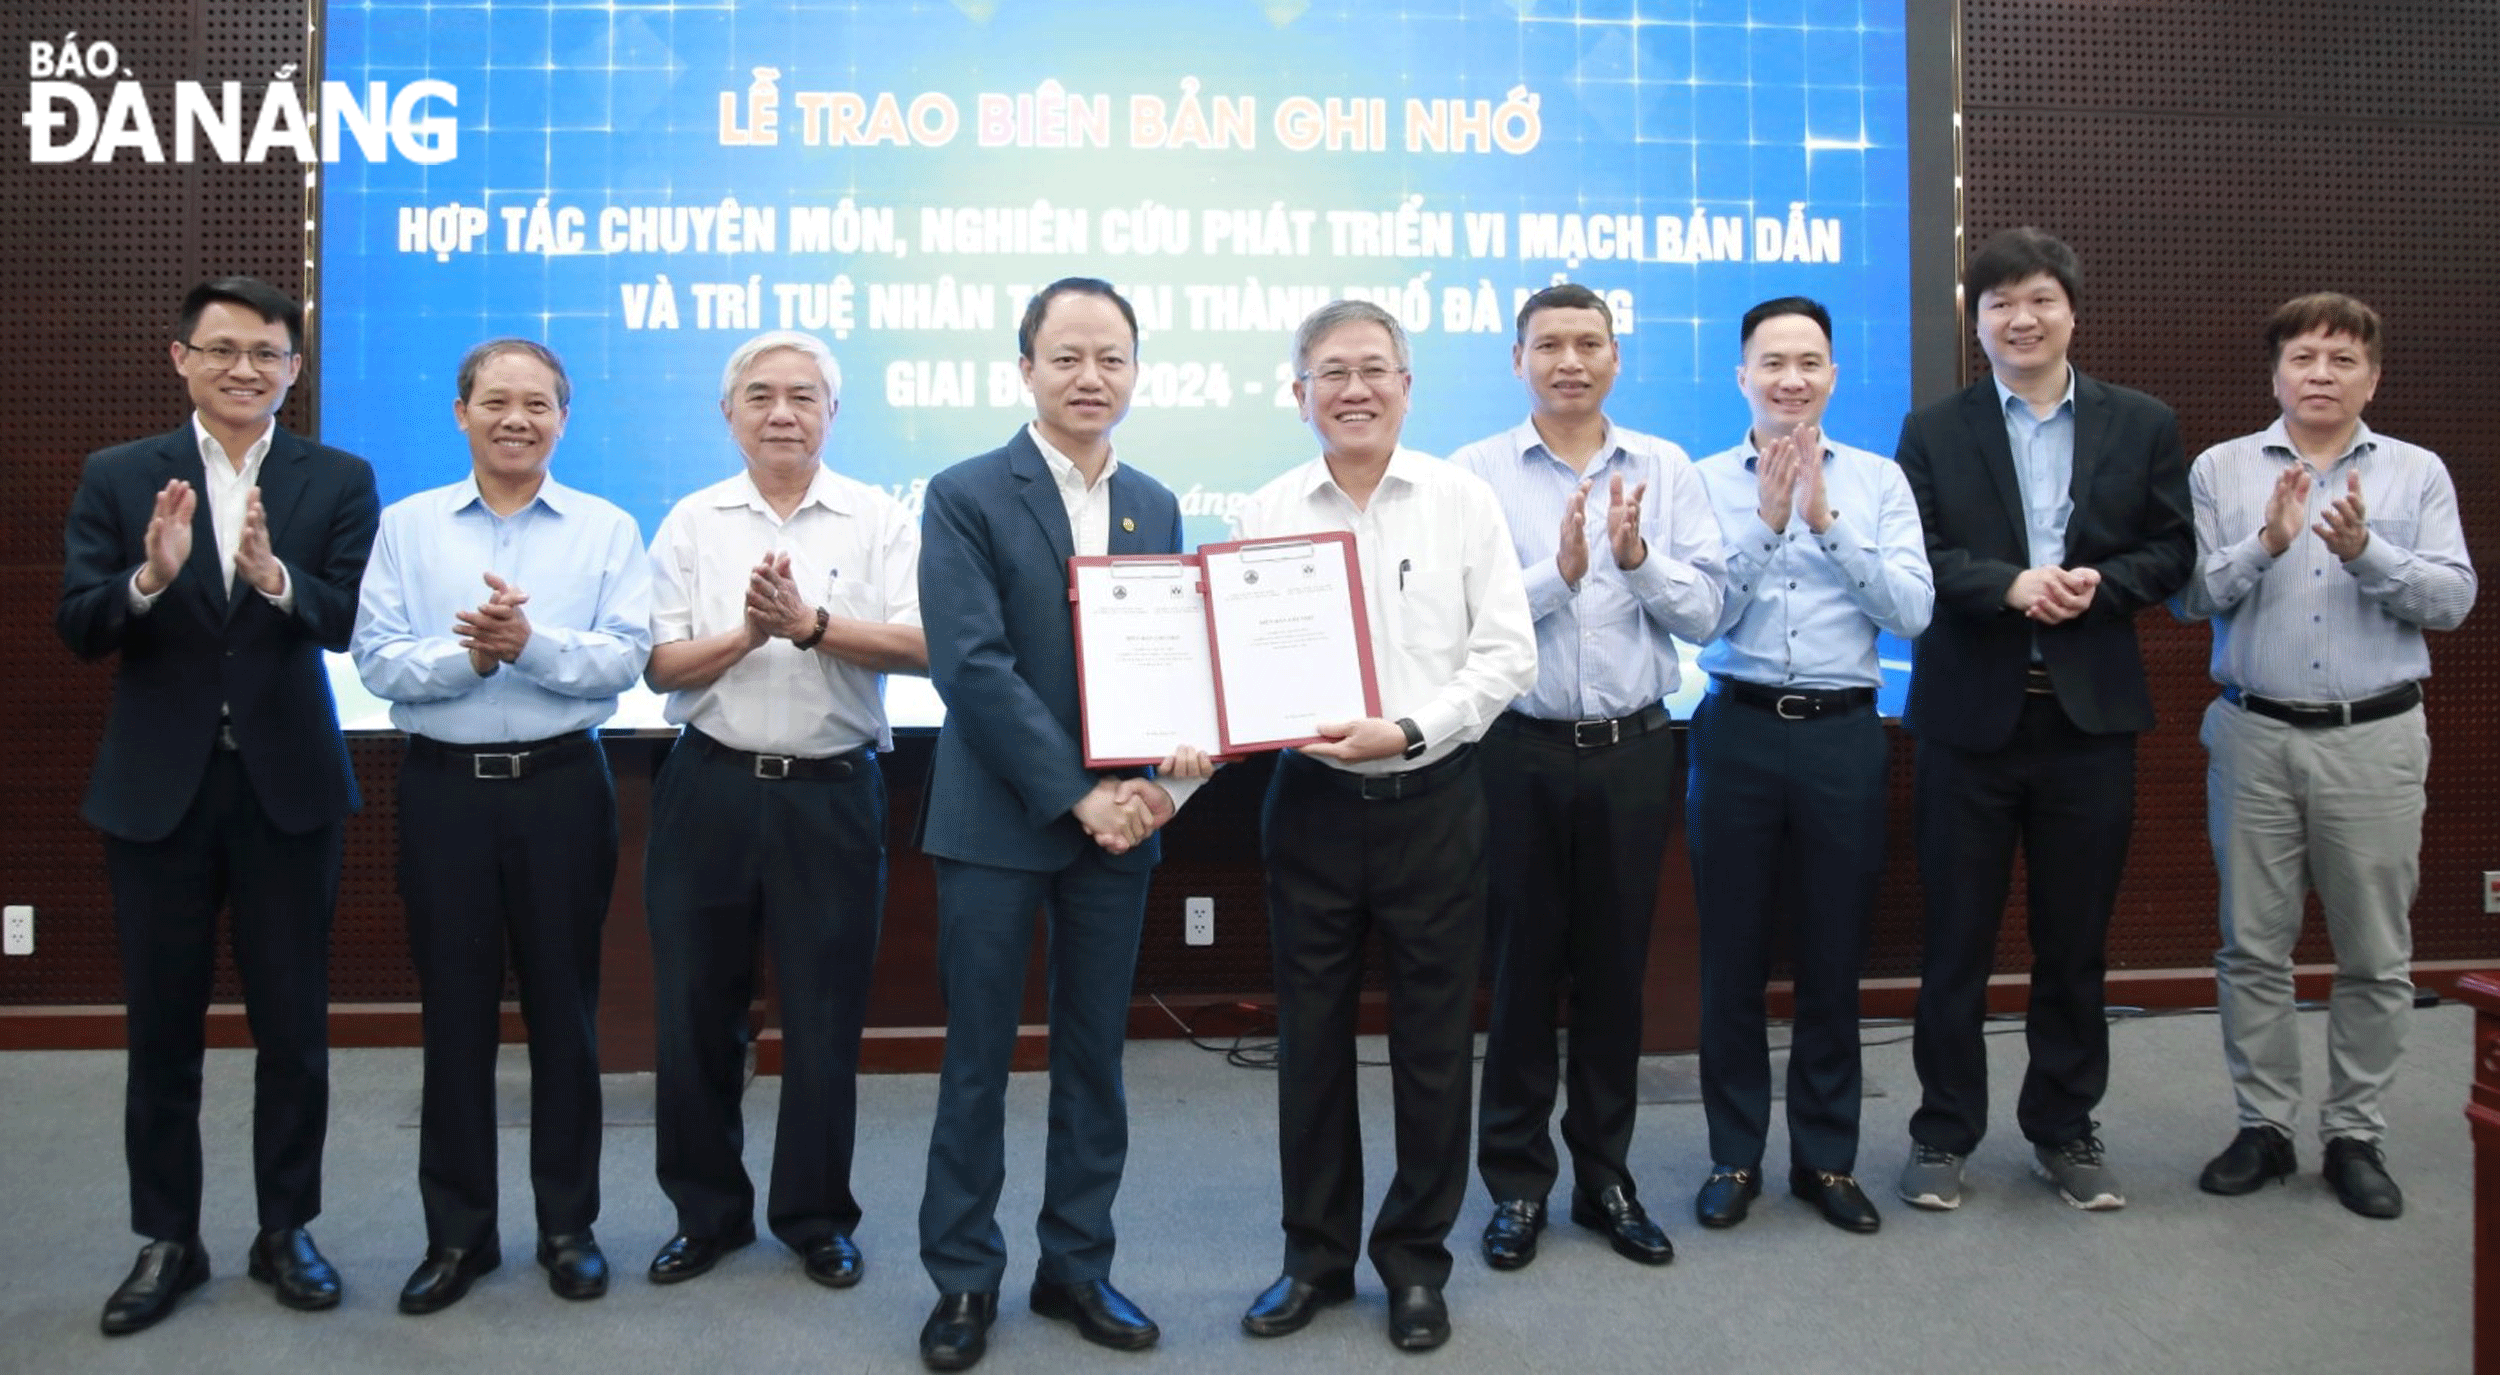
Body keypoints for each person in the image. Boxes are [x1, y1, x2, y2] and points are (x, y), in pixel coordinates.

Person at [56, 276, 378, 1335]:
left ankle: (287, 1227)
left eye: (268, 353)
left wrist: (278, 578)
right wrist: (148, 578)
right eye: (225, 349)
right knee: (162, 1026)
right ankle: (168, 1237)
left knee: (294, 1025)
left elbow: (345, 624)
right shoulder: (120, 476)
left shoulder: (336, 478)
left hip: (288, 787)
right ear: (181, 358)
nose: (247, 368)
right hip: (159, 791)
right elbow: (81, 625)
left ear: (293, 369)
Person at [914, 277, 1209, 1372]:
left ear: (1136, 372)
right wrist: (1076, 791)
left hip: (1120, 829)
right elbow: (972, 667)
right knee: (978, 1061)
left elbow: (1168, 659)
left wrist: (1160, 773)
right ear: (1025, 367)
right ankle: (962, 1278)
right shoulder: (964, 493)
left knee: (1095, 1057)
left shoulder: (1157, 504)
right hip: (999, 822)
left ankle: (1075, 1264)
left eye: (1113, 358)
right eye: (1068, 356)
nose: (1092, 377)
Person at [1237, 299, 1537, 1354]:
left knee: (1431, 1042)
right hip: (1310, 806)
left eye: (1373, 369)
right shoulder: (1265, 510)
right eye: (1331, 372)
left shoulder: (1459, 501)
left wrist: (1409, 727)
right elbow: (1232, 669)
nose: (1353, 388)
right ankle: (1311, 1259)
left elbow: (1506, 656)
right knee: (1309, 1041)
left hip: (1435, 801)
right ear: (1299, 393)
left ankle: (1414, 1262)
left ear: (1407, 386)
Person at [1892, 228, 2193, 1214]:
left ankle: (2064, 1127)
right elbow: (1921, 553)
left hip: (2087, 724)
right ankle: (1941, 1135)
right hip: (1968, 721)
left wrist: (2099, 586)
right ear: (1975, 323)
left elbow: (2170, 550)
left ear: (2070, 309)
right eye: (1998, 305)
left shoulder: (2140, 422)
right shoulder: (1933, 429)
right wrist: (2009, 584)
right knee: (1956, 942)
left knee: (2074, 943)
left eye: (2038, 300)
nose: (2020, 319)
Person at [350, 338, 652, 1312]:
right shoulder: (407, 527)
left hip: (564, 786)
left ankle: (569, 1227)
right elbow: (378, 660)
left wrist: (530, 644)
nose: (516, 418)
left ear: (564, 419)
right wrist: (469, 660)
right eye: (496, 400)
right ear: (460, 412)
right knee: (456, 1016)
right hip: (444, 790)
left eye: (537, 403)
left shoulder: (606, 530)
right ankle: (459, 1236)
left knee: (565, 1011)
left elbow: (623, 659)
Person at [2174, 293, 2474, 1219]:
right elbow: (2188, 595)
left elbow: (2453, 600)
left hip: (2375, 737)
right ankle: (2263, 1125)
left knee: (2377, 954)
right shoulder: (2222, 469)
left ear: (2371, 378)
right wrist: (2266, 543)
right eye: (2304, 358)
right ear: (2276, 375)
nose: (2321, 375)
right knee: (2252, 945)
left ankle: (2356, 1133)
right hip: (2254, 731)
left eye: (2343, 361)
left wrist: (2369, 553)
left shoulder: (2417, 474)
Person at [640, 330, 926, 1291]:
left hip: (832, 793)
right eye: (759, 396)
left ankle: (814, 1216)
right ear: (729, 414)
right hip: (708, 784)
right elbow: (659, 666)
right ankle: (705, 1213)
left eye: (803, 396)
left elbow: (924, 646)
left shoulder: (879, 520)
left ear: (832, 414)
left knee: (824, 1017)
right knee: (692, 1013)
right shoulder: (690, 521)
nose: (781, 413)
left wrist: (810, 627)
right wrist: (748, 633)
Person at [1447, 282, 1721, 1272]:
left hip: (1634, 749)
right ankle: (1516, 1186)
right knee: (1520, 971)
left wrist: (1636, 559)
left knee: (1614, 969)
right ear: (1515, 358)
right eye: (1549, 343)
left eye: (1588, 342)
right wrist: (1556, 579)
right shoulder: (1471, 477)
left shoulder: (1666, 467)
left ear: (1615, 356)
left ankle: (1606, 1175)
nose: (1569, 359)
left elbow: (1705, 614)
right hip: (1513, 751)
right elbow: (1454, 622)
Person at [1687, 297, 1933, 1235]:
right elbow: (1699, 617)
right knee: (1733, 955)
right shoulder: (1701, 482)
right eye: (1773, 362)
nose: (1792, 378)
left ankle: (1827, 1161)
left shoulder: (1879, 482)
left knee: (1835, 955)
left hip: (1843, 733)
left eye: (1810, 361)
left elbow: (1912, 611)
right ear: (1741, 375)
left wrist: (1827, 523)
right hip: (1737, 727)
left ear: (1833, 375)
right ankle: (1734, 1154)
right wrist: (1765, 522)